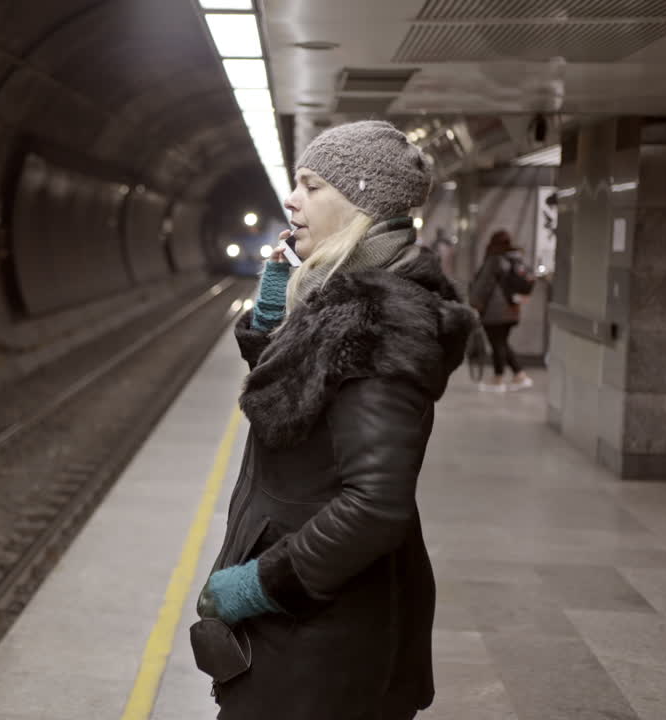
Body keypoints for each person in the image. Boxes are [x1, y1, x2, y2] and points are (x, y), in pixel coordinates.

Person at [192, 120, 475, 720]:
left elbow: (374, 506)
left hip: (324, 633)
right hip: (311, 625)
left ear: (360, 199)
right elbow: (294, 387)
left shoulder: (378, 325)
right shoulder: (342, 301)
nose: (291, 199)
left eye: (310, 185)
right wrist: (278, 294)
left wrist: (259, 586)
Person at [469, 230, 536, 391]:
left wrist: (475, 305)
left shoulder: (495, 260)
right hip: (511, 310)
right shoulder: (514, 258)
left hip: (495, 312)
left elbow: (483, 286)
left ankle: (498, 380)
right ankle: (519, 375)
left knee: (498, 344)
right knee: (502, 343)